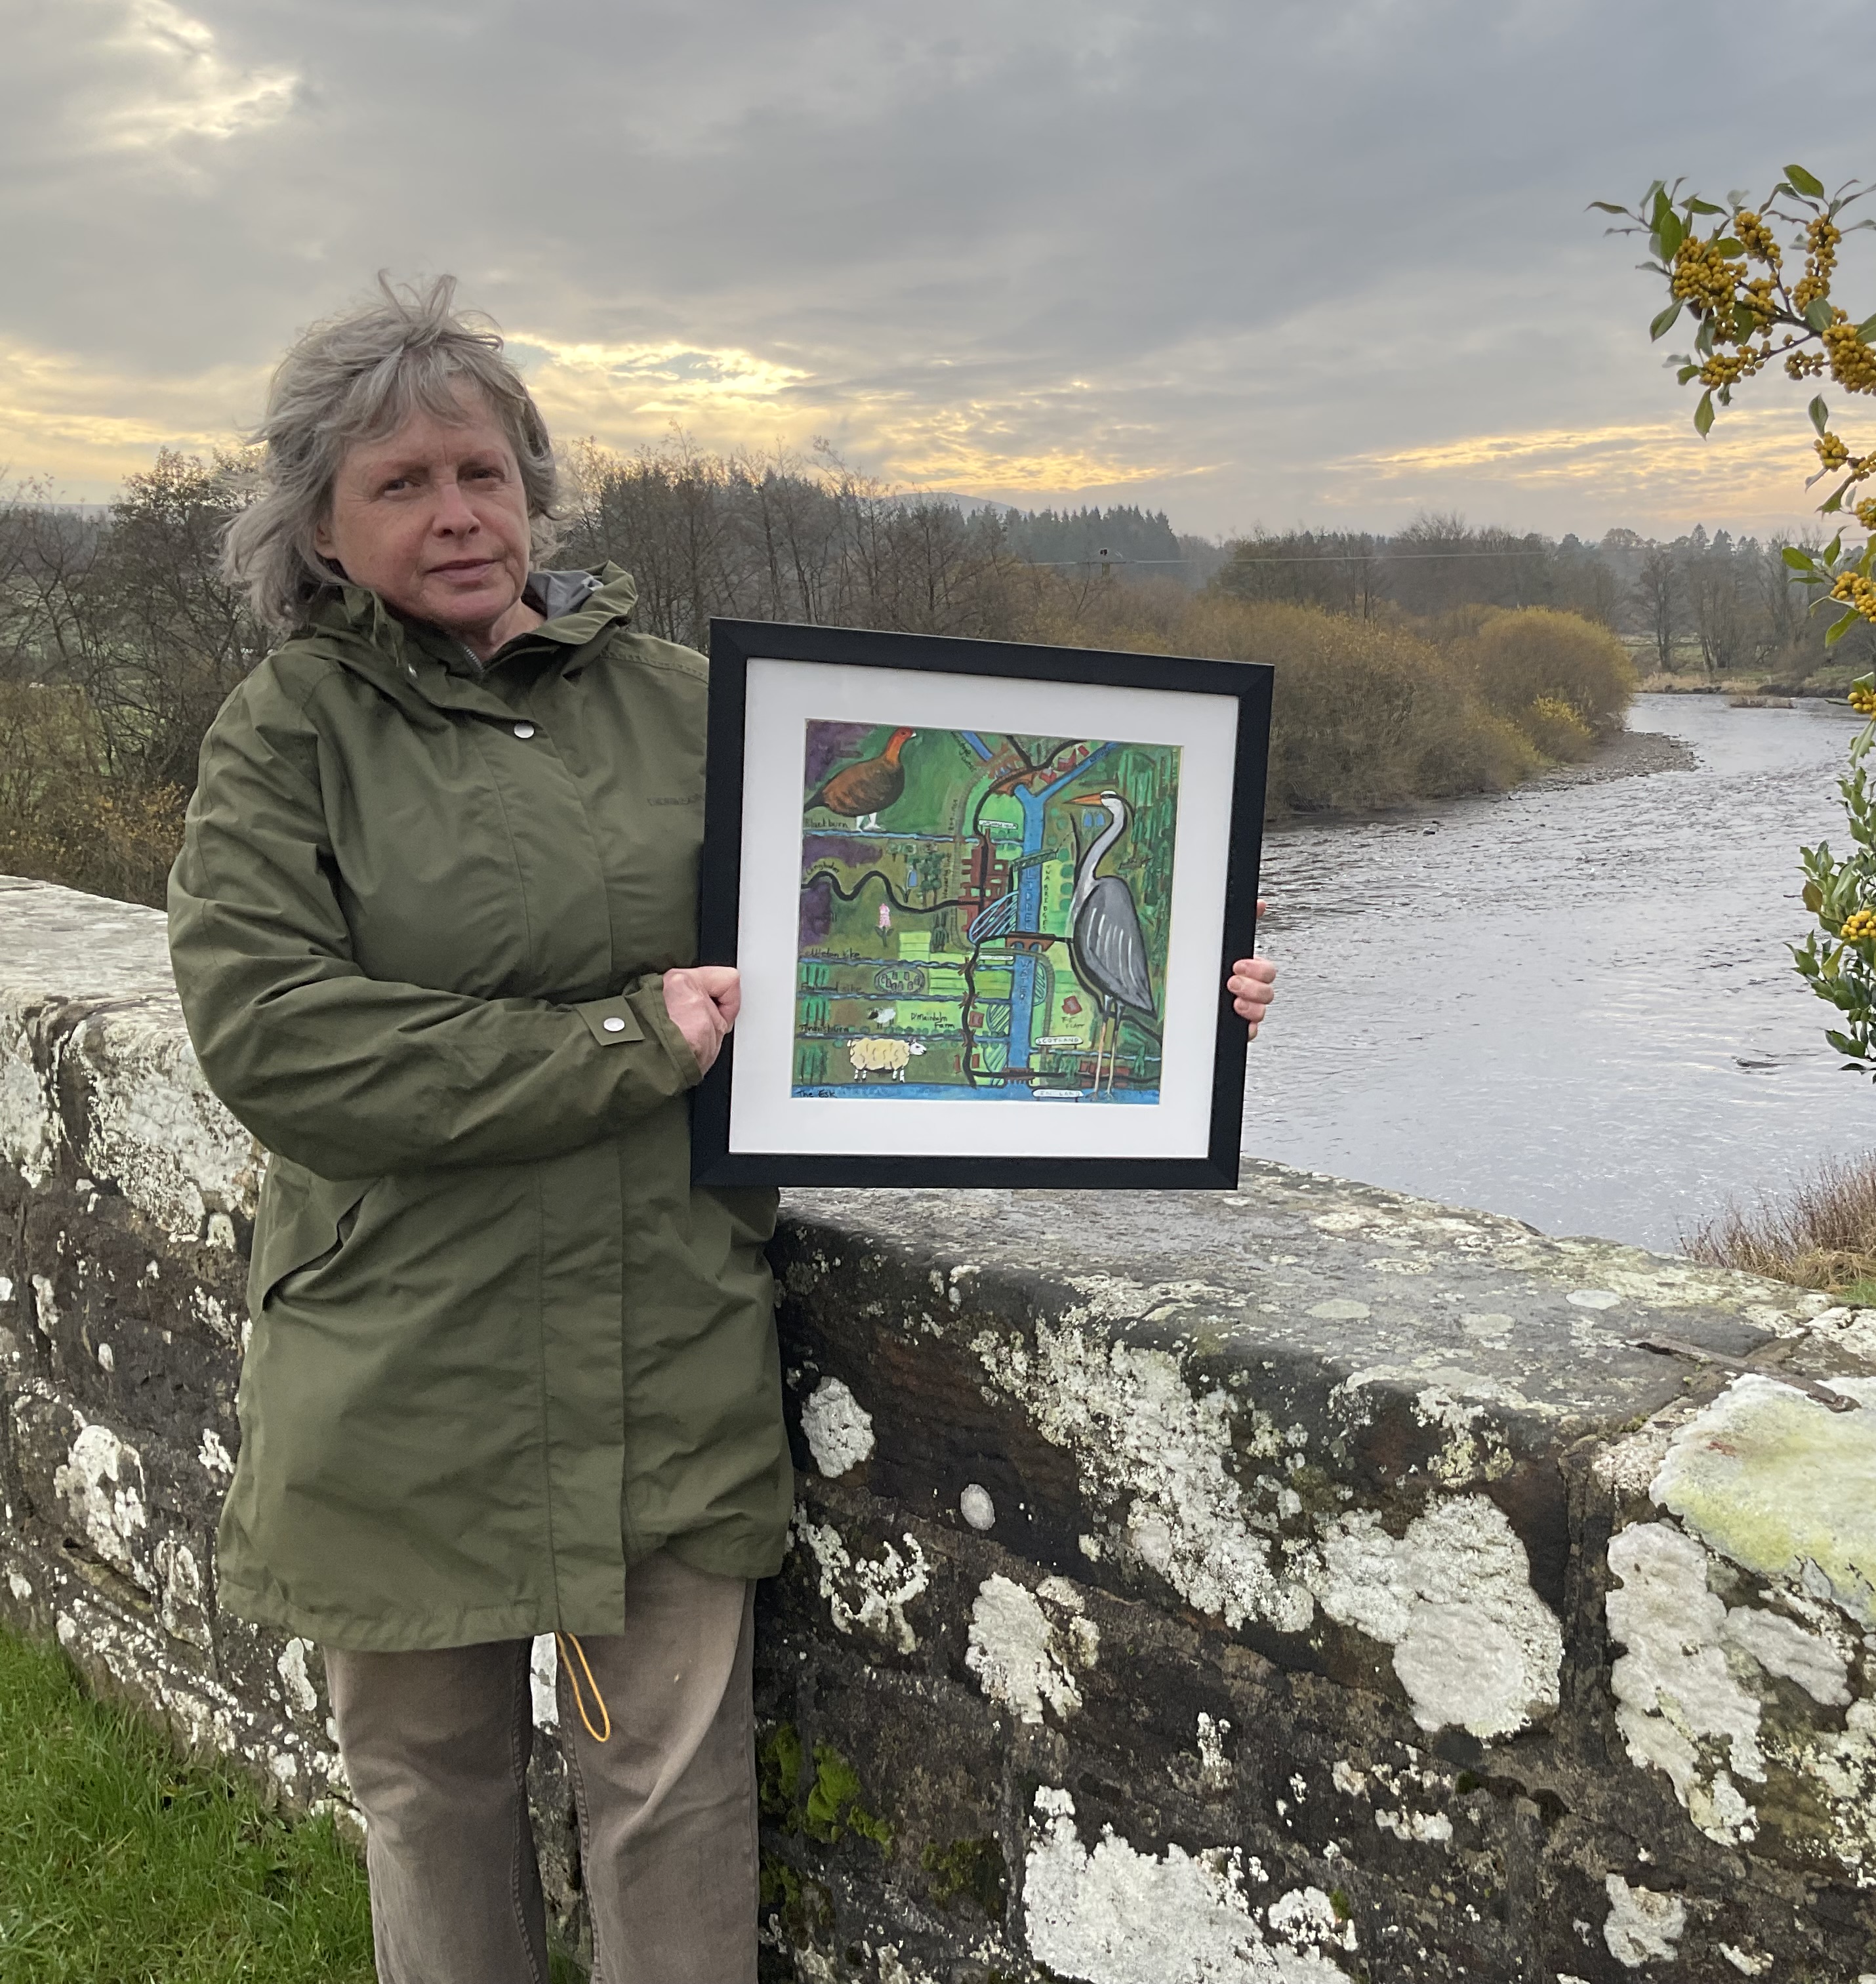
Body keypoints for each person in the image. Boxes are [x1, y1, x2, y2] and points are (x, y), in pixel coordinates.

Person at [165, 276, 1280, 1984]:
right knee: (431, 1792)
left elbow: (878, 944)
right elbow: (280, 1042)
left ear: (536, 485)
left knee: (674, 1804)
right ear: (319, 522)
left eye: (482, 469)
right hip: (398, 1366)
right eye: (400, 484)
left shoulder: (691, 707)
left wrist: (1147, 1002)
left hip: (660, 1346)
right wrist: (626, 1040)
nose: (456, 512)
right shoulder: (286, 737)